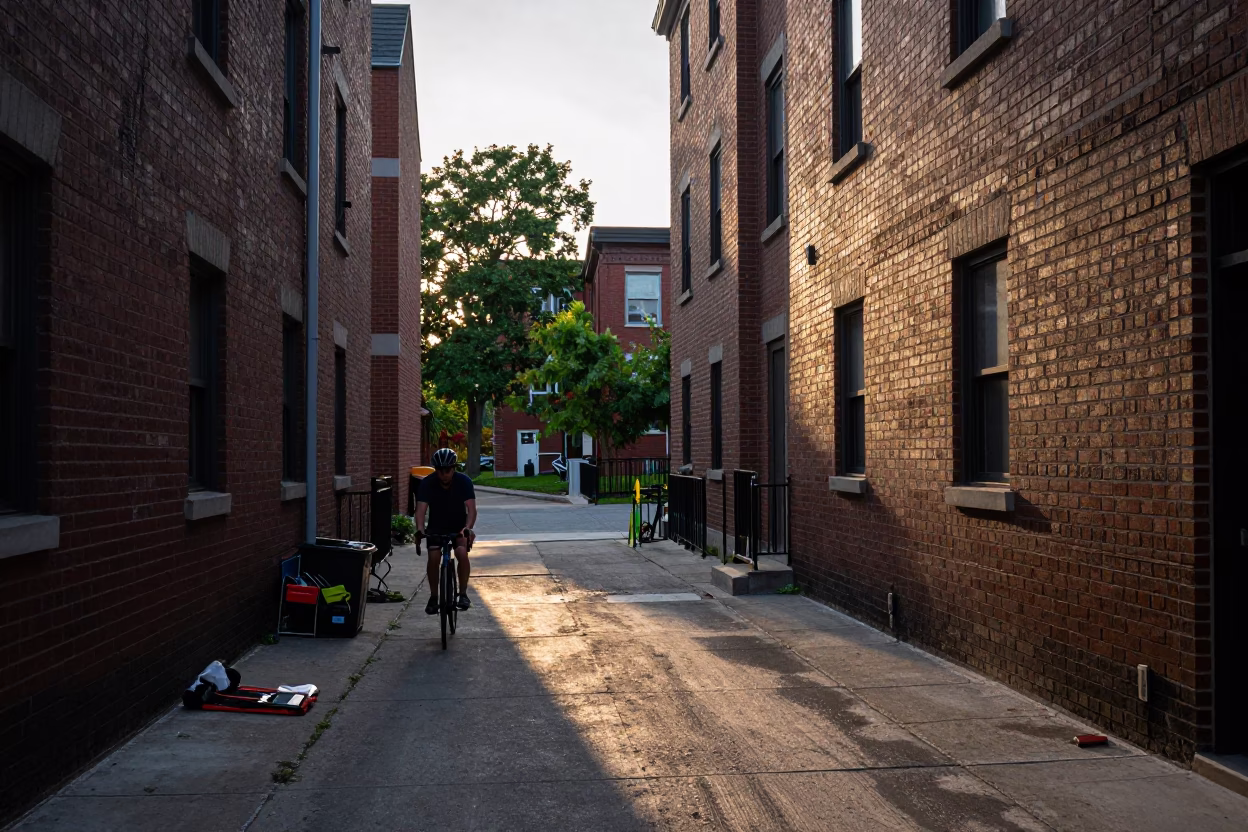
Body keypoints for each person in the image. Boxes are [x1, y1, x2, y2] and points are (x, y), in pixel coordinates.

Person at [413, 448, 477, 615]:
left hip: (459, 527)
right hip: (436, 527)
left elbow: (471, 509)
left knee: (462, 553)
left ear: (454, 468)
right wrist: (420, 530)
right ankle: (434, 597)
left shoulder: (464, 481)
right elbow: (420, 511)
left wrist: (468, 528)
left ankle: (462, 594)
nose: (444, 474)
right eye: (439, 471)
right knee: (434, 557)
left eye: (447, 470)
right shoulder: (427, 483)